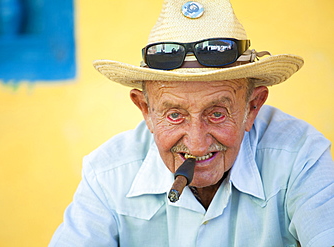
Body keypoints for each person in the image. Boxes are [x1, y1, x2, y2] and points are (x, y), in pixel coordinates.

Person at [49, 0, 334, 246]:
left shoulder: (300, 157)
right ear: (146, 110)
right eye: (174, 115)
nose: (197, 143)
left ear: (252, 107)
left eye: (217, 113)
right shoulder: (108, 174)